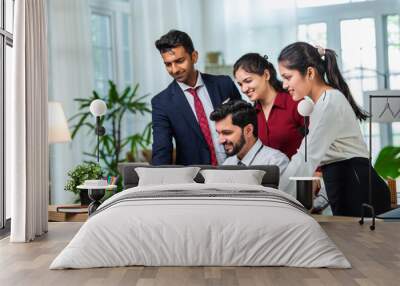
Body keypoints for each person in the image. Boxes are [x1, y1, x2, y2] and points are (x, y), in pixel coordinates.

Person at [278, 42, 391, 216]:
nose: (284, 85)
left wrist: (277, 198)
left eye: (288, 77)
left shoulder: (329, 103)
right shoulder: (322, 102)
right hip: (347, 184)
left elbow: (306, 157)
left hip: (357, 187)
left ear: (309, 72)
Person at [152, 30, 241, 165]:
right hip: (194, 179)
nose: (174, 70)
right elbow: (162, 150)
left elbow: (245, 123)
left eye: (179, 61)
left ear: (194, 56)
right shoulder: (162, 102)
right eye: (168, 64)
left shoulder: (224, 84)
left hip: (237, 169)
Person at [233, 53, 304, 159]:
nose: (243, 89)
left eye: (248, 81)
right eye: (240, 84)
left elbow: (320, 140)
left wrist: (317, 170)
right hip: (269, 175)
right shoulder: (252, 114)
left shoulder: (296, 103)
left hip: (299, 174)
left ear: (266, 75)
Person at [210, 100, 289, 175]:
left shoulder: (276, 162)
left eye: (227, 133)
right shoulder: (227, 165)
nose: (220, 141)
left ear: (248, 130)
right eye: (218, 133)